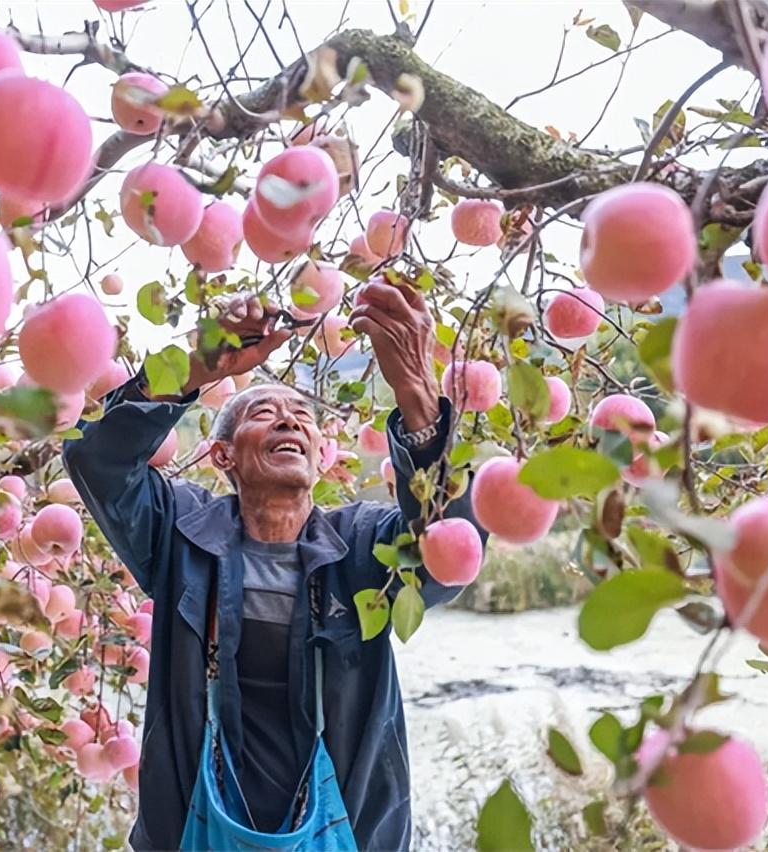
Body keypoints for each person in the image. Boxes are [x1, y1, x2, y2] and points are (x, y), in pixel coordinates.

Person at [63, 279, 486, 851]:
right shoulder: (180, 535)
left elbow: (446, 556)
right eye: (265, 412)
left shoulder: (362, 547)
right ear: (223, 455)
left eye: (302, 417)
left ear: (319, 453)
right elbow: (98, 457)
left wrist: (418, 399)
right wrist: (195, 365)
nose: (290, 421)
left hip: (349, 835)